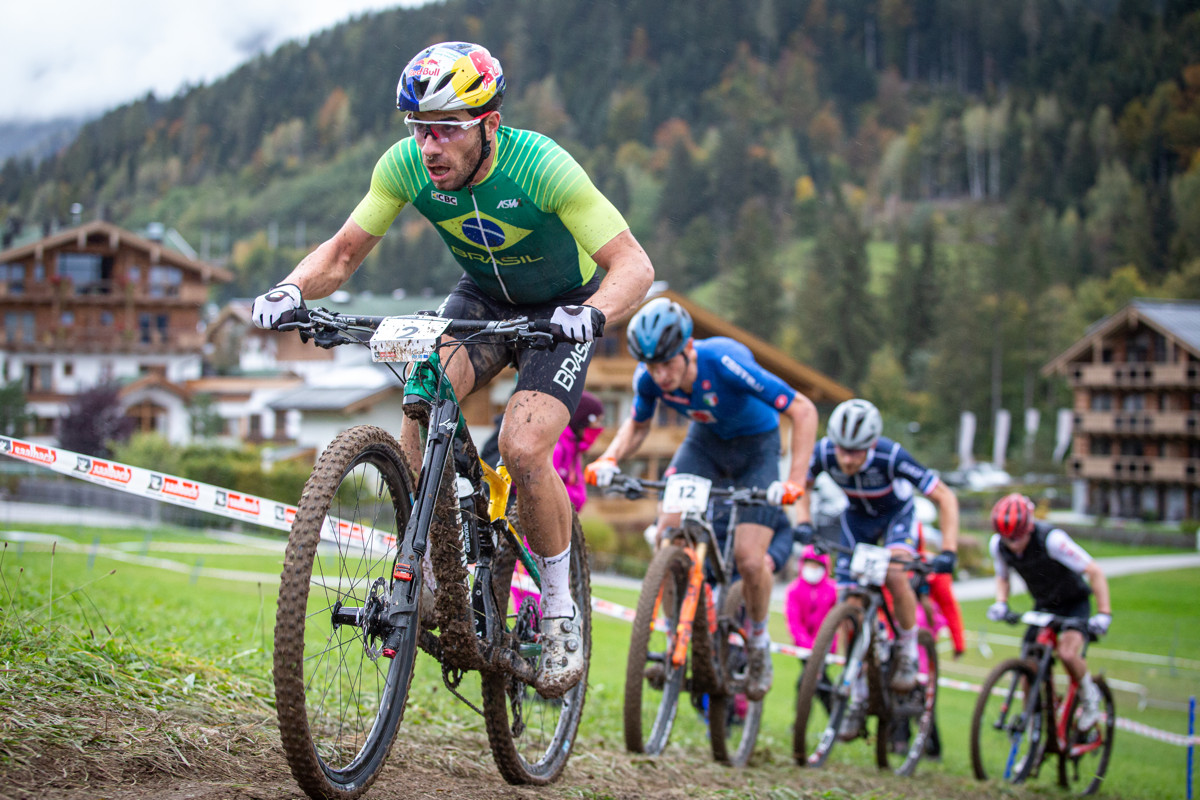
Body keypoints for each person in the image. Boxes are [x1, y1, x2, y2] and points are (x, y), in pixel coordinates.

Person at [251, 41, 655, 698]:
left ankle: (558, 610)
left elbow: (634, 264)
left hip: (563, 311)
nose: (429, 145)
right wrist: (289, 290)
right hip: (481, 300)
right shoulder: (406, 165)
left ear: (489, 124)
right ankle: (423, 570)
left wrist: (597, 313)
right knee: (421, 389)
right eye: (418, 128)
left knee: (524, 449)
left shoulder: (540, 165)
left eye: (445, 129)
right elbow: (345, 253)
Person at [585, 296, 819, 702]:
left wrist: (795, 482)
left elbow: (803, 409)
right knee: (667, 529)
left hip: (757, 450)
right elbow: (637, 425)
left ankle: (759, 641)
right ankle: (675, 628)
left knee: (749, 559)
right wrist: (609, 457)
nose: (660, 375)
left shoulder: (726, 362)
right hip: (705, 445)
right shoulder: (649, 377)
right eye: (652, 366)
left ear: (689, 348)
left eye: (668, 363)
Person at [792, 398, 959, 740]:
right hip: (857, 520)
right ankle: (857, 694)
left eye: (856, 452)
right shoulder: (825, 453)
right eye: (843, 451)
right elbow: (802, 485)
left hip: (896, 518)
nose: (848, 459)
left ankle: (910, 648)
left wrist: (950, 550)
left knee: (896, 574)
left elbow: (945, 496)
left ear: (870, 444)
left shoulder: (891, 455)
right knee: (849, 606)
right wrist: (804, 522)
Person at [987, 493, 1112, 730]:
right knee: (1028, 664)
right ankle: (1036, 723)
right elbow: (1002, 577)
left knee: (1067, 653)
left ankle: (1090, 697)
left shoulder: (1052, 540)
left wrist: (1104, 614)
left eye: (1017, 537)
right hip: (1044, 605)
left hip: (1073, 603)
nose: (1012, 544)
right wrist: (1001, 603)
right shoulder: (998, 545)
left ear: (1029, 527)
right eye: (1006, 539)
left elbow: (1094, 571)